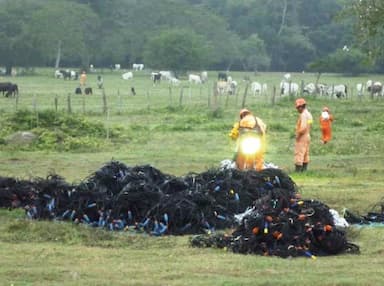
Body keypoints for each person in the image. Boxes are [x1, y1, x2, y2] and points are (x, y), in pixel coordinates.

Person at [294, 98, 313, 172]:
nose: (297, 109)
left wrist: (298, 135)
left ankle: (298, 171)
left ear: (301, 106)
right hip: (308, 135)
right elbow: (310, 124)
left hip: (302, 136)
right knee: (305, 153)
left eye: (297, 107)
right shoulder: (309, 114)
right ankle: (304, 170)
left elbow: (303, 127)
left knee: (299, 153)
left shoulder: (303, 115)